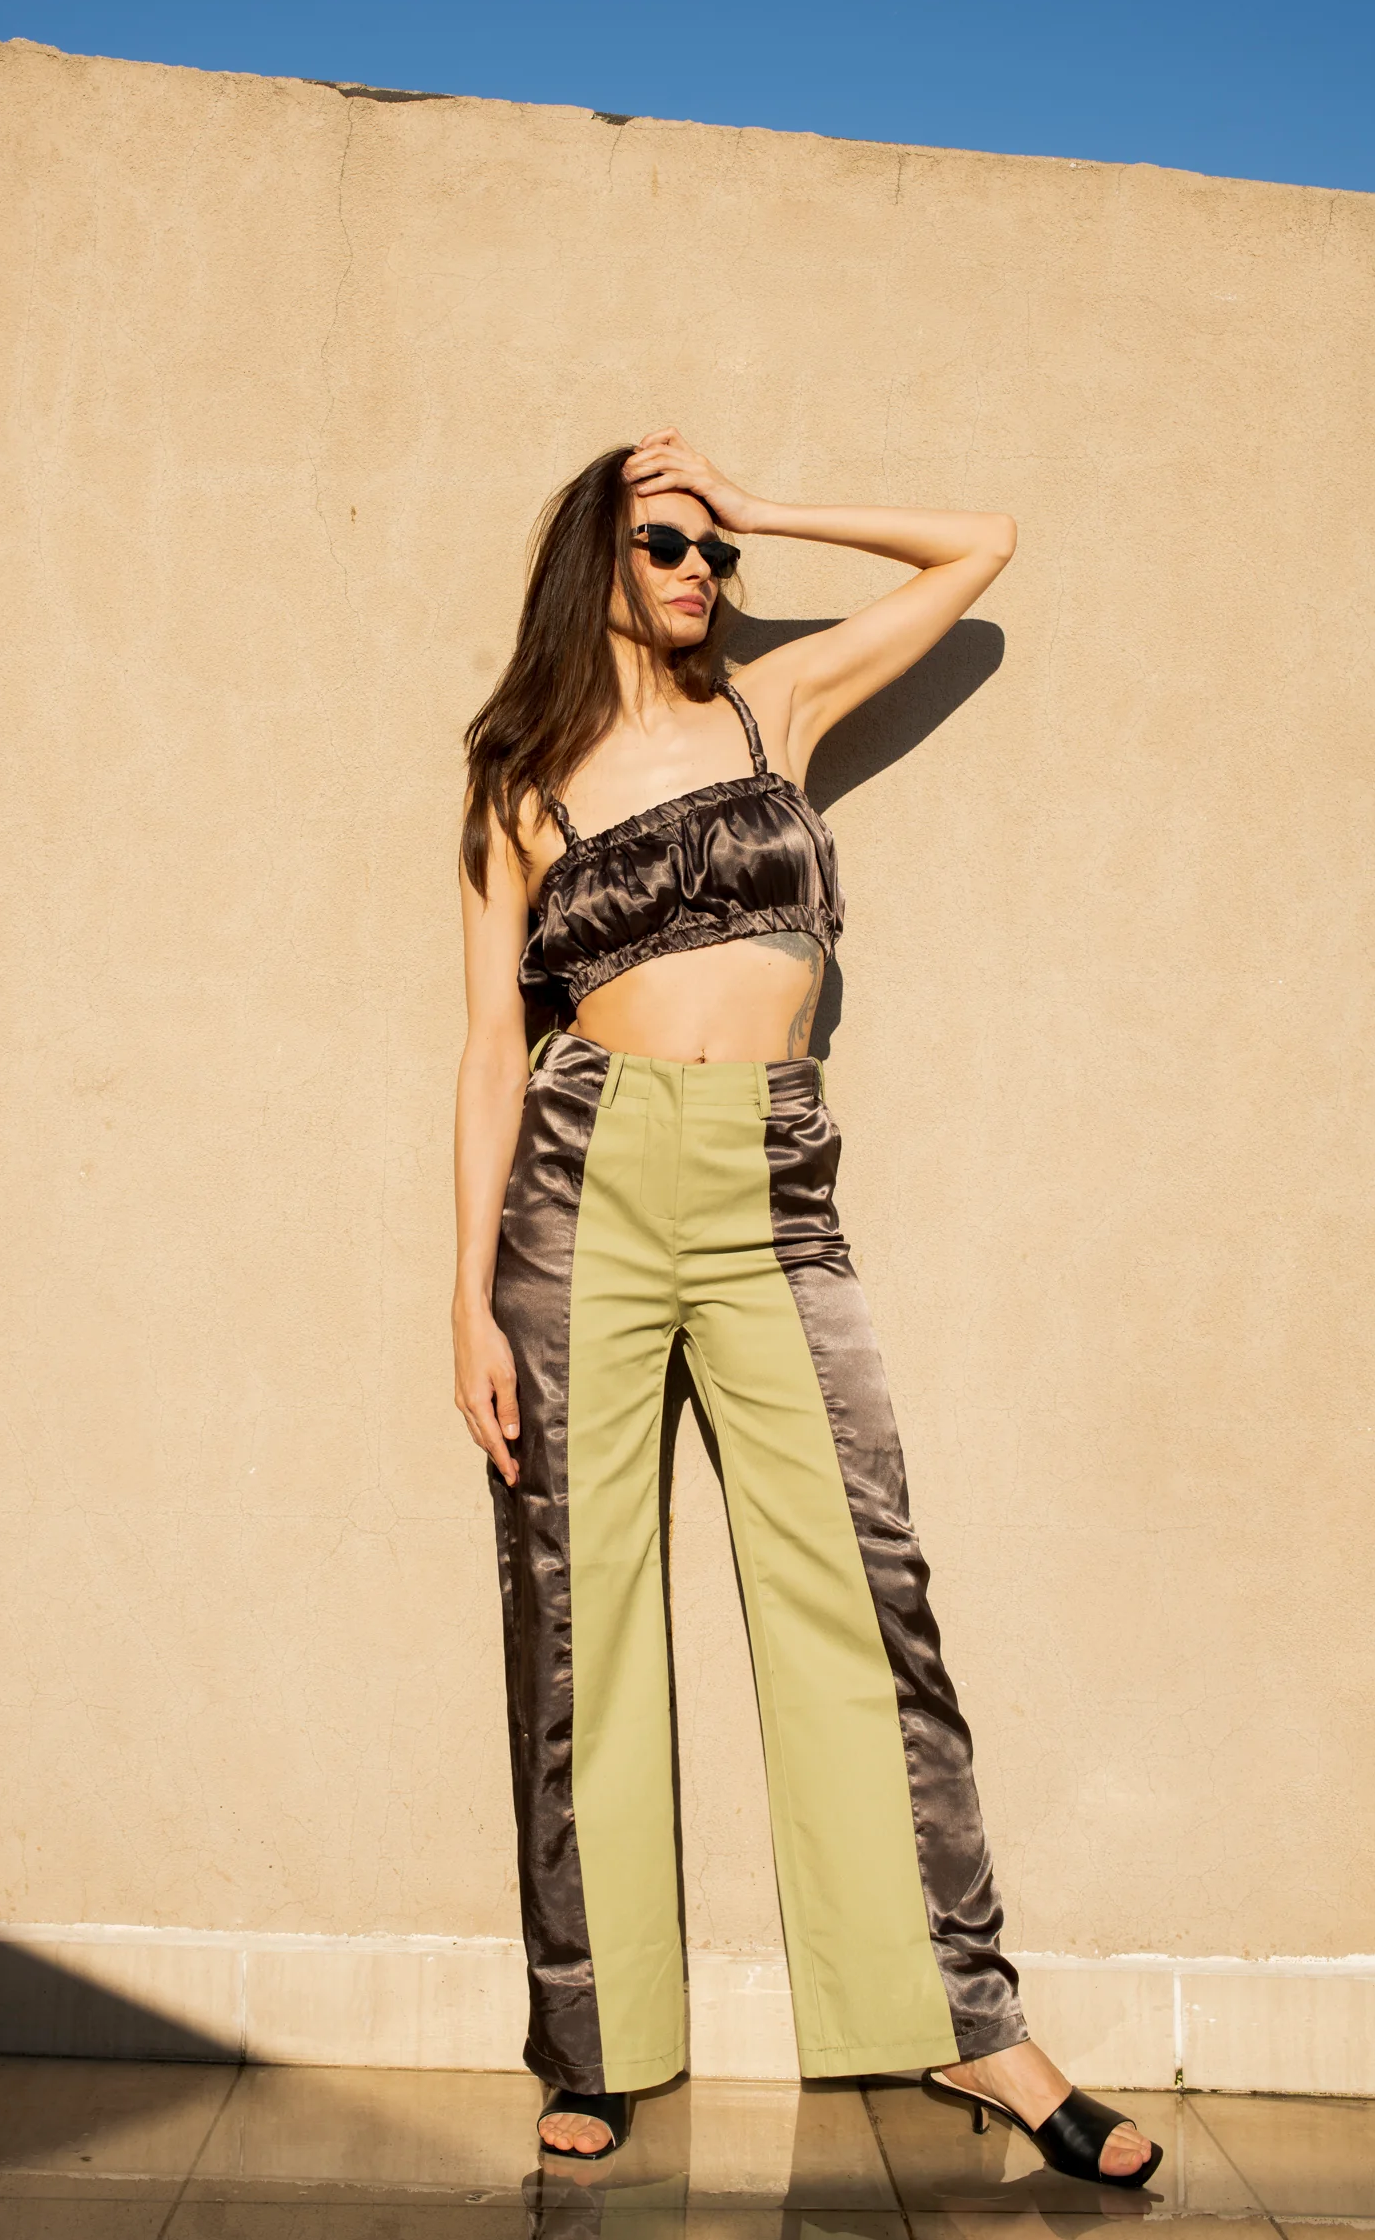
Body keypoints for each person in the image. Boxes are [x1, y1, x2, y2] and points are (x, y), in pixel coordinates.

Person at [453, 431, 1161, 2189]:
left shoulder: (776, 707)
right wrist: (462, 1303)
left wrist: (765, 504)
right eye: (666, 543)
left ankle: (973, 2025)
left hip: (769, 1184)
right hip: (584, 1185)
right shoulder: (521, 775)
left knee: (865, 1592)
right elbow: (483, 1050)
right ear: (597, 563)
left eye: (714, 548)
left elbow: (980, 543)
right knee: (579, 1619)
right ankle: (594, 2042)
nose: (700, 568)